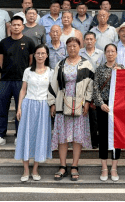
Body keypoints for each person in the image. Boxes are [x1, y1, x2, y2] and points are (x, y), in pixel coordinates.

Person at [49, 37, 94, 181]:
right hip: (62, 103)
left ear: (79, 47)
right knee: (62, 137)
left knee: (77, 136)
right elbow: (53, 84)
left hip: (79, 104)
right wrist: (52, 103)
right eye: (69, 46)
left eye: (75, 46)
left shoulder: (86, 64)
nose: (72, 48)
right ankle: (62, 166)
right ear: (66, 48)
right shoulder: (60, 64)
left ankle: (74, 165)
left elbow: (90, 85)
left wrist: (87, 101)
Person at [0, 16, 35, 149]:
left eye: (18, 25)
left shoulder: (29, 42)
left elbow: (30, 62)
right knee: (3, 109)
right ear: (10, 27)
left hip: (21, 81)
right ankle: (1, 136)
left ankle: (19, 136)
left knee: (20, 110)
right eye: (14, 25)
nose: (16, 27)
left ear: (23, 26)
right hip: (5, 81)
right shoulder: (3, 43)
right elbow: (1, 61)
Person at [15, 44, 53, 182]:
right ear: (34, 55)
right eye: (38, 53)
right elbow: (23, 90)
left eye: (43, 53)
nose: (40, 56)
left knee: (39, 136)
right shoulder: (28, 71)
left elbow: (52, 91)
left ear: (47, 55)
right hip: (29, 105)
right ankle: (25, 170)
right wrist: (19, 108)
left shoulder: (51, 72)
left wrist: (52, 106)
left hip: (43, 106)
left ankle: (35, 169)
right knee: (25, 135)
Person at [93, 43, 125, 182]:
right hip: (104, 106)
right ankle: (104, 167)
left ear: (116, 53)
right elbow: (95, 89)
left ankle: (114, 167)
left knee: (116, 136)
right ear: (105, 53)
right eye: (108, 51)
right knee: (103, 137)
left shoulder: (122, 68)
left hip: (117, 107)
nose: (110, 53)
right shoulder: (100, 69)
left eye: (113, 51)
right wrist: (101, 104)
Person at [80, 31, 103, 149]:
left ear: (95, 41)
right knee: (83, 114)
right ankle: (82, 140)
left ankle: (95, 141)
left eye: (91, 39)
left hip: (98, 87)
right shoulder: (79, 53)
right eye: (87, 39)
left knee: (95, 116)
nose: (89, 41)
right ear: (84, 41)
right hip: (82, 86)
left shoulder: (101, 54)